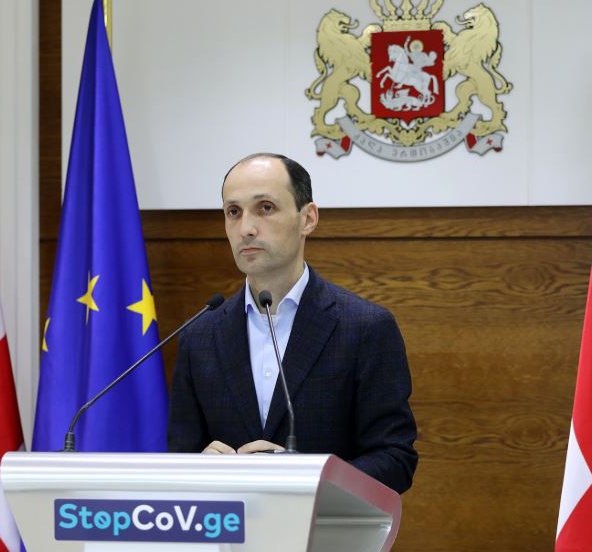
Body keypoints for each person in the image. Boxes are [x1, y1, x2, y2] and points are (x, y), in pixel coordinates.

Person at [167, 152, 418, 493]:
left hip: (323, 524)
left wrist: (303, 479)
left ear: (308, 219)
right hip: (231, 524)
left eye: (265, 208)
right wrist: (198, 467)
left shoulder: (365, 328)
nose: (246, 229)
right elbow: (179, 456)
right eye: (233, 212)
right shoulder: (200, 335)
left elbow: (395, 459)